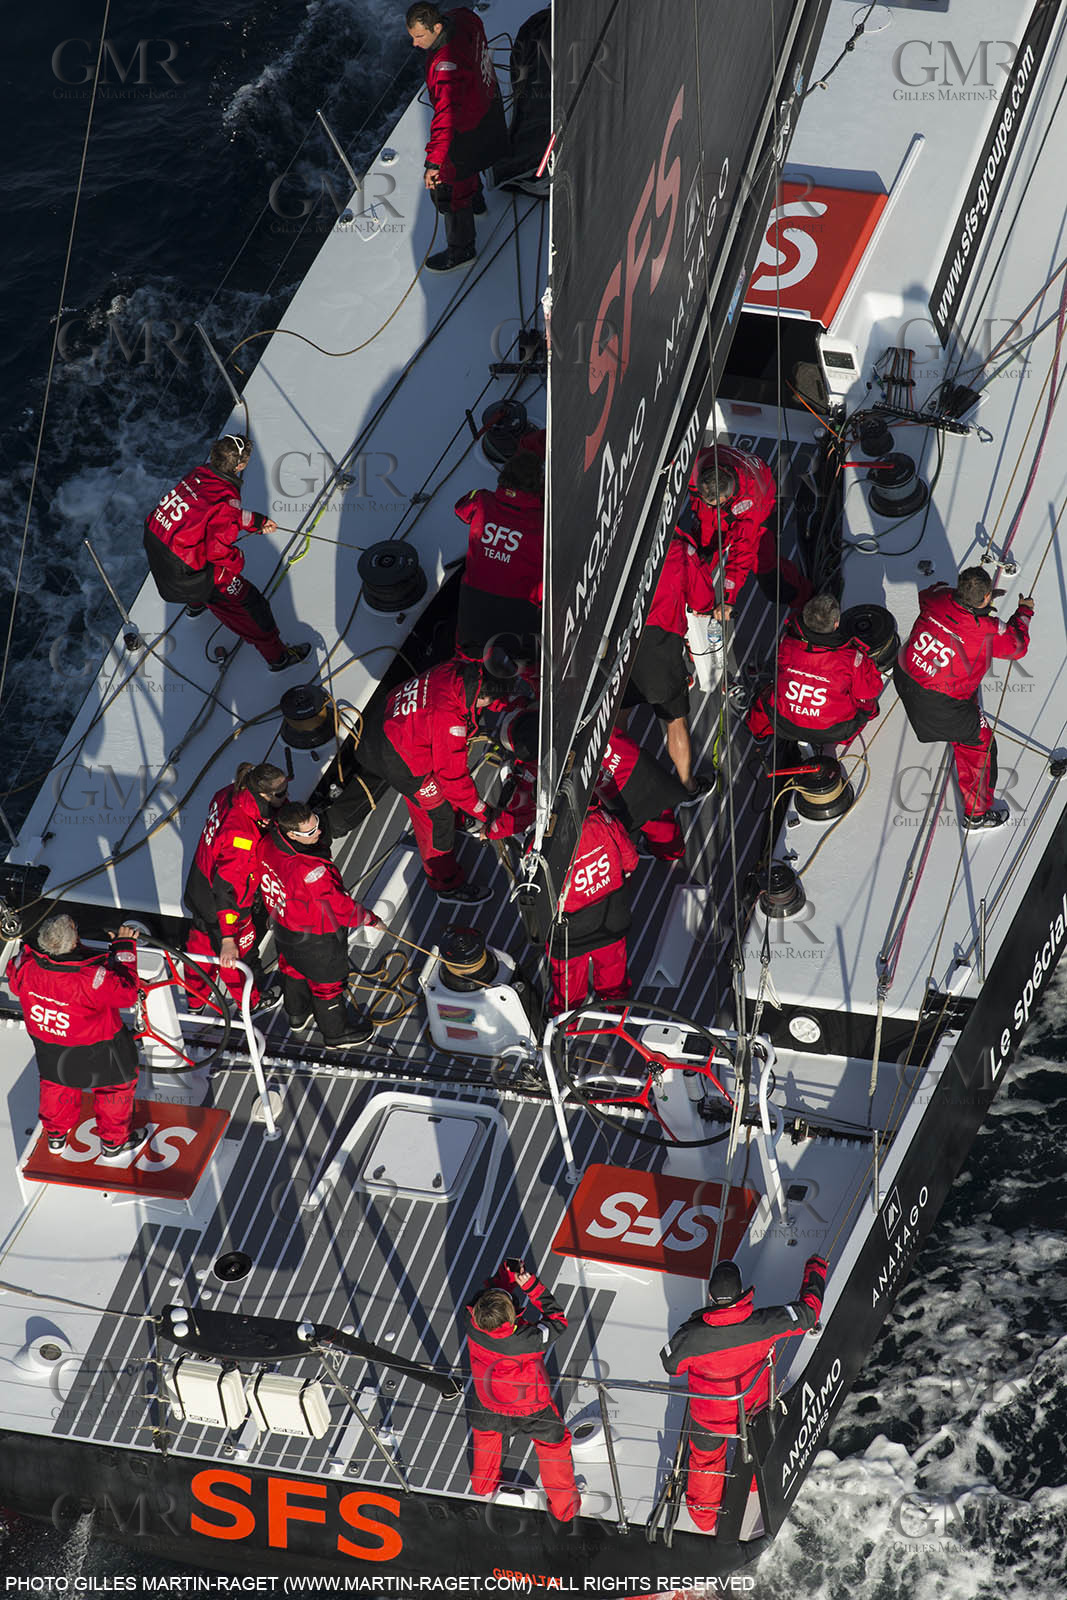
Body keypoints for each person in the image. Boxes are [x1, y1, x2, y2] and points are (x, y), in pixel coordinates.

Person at [660, 1254, 827, 1533]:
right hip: (752, 1412)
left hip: (709, 1418)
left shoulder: (692, 1336)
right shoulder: (764, 1324)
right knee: (754, 1451)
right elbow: (808, 1315)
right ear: (740, 1292)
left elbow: (670, 1365)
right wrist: (816, 1268)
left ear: (711, 1296)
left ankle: (704, 1519)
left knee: (706, 1462)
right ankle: (751, 1487)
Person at [143, 433, 311, 671]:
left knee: (199, 562)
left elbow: (211, 514)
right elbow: (218, 552)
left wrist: (257, 521)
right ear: (240, 466)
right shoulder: (227, 498)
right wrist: (238, 560)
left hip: (157, 543)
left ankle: (195, 604)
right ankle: (278, 658)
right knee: (251, 604)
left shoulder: (199, 474)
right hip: (184, 573)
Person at [345, 658, 499, 904]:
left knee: (443, 789)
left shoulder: (454, 669)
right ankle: (446, 884)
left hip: (388, 724)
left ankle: (459, 821)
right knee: (438, 815)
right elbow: (453, 780)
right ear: (482, 697)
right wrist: (485, 812)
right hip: (396, 759)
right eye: (488, 703)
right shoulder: (449, 721)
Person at [894, 569, 1034, 830]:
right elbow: (1017, 647)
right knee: (980, 743)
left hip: (904, 676)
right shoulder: (988, 630)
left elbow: (928, 593)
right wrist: (1024, 613)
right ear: (987, 597)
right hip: (938, 705)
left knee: (961, 685)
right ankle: (976, 815)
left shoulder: (938, 597)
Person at [8, 913, 148, 1160]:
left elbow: (14, 981)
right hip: (101, 1049)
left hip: (50, 1047)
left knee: (56, 1086)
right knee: (114, 1091)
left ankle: (56, 1135)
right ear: (73, 942)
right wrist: (124, 948)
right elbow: (127, 994)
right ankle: (113, 1143)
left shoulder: (26, 966)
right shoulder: (91, 978)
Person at [464, 1257, 580, 1522]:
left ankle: (482, 1486)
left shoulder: (471, 1322)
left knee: (486, 1440)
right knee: (554, 1447)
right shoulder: (528, 1339)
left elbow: (484, 1299)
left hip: (487, 1402)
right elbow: (558, 1320)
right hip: (532, 1408)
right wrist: (530, 1286)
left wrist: (506, 1279)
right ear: (512, 1314)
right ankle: (565, 1510)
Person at [258, 804, 381, 1047]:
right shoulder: (311, 870)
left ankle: (297, 1014)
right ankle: (336, 1034)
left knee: (292, 968)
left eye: (316, 823)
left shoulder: (267, 843)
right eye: (310, 832)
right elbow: (340, 907)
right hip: (316, 936)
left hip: (283, 924)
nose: (319, 832)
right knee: (327, 984)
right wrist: (369, 919)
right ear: (292, 834)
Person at [406, 3, 506, 273]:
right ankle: (478, 203)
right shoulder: (464, 18)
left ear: (437, 27)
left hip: (465, 128)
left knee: (450, 188)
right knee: (473, 163)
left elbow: (445, 117)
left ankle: (462, 251)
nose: (415, 44)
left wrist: (434, 164)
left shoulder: (444, 67)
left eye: (419, 36)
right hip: (488, 104)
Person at [183, 763, 289, 1011]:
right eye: (281, 793)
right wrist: (229, 938)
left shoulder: (229, 793)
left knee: (200, 944)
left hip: (199, 886)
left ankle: (195, 1000)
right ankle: (250, 1002)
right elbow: (225, 890)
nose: (286, 797)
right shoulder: (242, 837)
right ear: (263, 795)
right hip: (226, 904)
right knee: (238, 956)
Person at [623, 535, 710, 799]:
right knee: (674, 720)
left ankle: (616, 784)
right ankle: (687, 786)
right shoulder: (680, 549)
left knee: (615, 721)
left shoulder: (617, 540)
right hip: (659, 645)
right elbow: (703, 602)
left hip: (619, 643)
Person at [745, 593, 884, 746]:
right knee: (866, 702)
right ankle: (858, 727)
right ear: (836, 624)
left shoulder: (787, 642)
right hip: (833, 731)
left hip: (784, 723)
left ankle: (757, 732)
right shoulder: (851, 658)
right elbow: (870, 690)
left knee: (764, 699)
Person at [547, 803, 639, 1015]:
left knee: (568, 986)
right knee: (613, 971)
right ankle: (617, 1009)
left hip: (569, 933)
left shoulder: (543, 843)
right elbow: (631, 861)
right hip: (611, 919)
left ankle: (566, 1024)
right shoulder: (601, 820)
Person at [454, 450, 544, 659]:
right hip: (519, 612)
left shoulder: (481, 500)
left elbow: (460, 509)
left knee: (469, 657)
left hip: (473, 610)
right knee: (526, 661)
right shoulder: (542, 523)